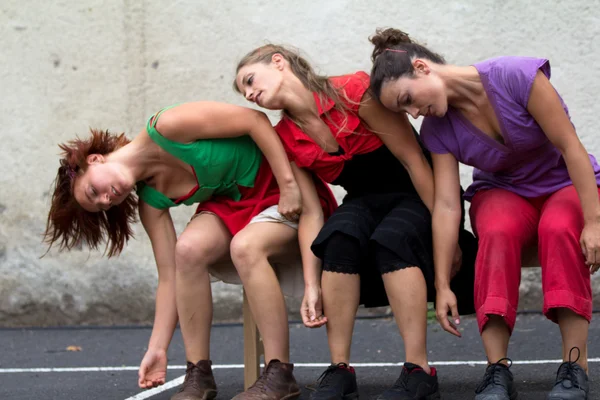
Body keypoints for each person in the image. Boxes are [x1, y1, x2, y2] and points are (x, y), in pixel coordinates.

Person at [43, 102, 337, 400]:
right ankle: (198, 374)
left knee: (245, 247)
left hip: (282, 186)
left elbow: (255, 121)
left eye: (95, 190)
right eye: (103, 204)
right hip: (236, 203)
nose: (108, 198)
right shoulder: (151, 200)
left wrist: (288, 185)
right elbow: (169, 277)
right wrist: (157, 348)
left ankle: (280, 374)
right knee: (186, 251)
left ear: (95, 160)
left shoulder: (167, 126)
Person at [368, 27, 600, 400]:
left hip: (564, 182)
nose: (413, 113)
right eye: (404, 111)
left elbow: (570, 146)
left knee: (559, 229)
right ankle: (497, 371)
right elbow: (446, 204)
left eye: (408, 99)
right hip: (503, 191)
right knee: (496, 231)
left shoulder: (517, 76)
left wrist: (594, 221)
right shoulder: (436, 129)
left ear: (423, 67)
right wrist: (441, 283)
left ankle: (575, 367)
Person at [235, 44, 477, 400]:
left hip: (417, 189)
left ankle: (419, 371)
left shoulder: (352, 91)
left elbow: (413, 161)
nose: (250, 93)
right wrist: (310, 284)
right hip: (364, 198)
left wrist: (450, 233)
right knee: (338, 238)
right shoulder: (285, 137)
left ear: (278, 62)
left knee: (392, 238)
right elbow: (312, 213)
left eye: (250, 80)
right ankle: (340, 370)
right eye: (244, 92)